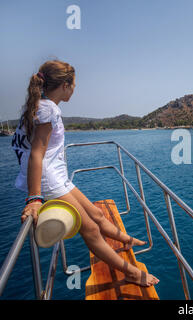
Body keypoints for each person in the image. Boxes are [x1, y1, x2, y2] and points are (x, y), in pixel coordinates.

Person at [12, 60, 159, 287]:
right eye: (74, 84)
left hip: (56, 176)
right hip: (48, 180)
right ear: (66, 85)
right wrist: (34, 197)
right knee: (90, 229)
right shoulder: (48, 109)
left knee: (96, 214)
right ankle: (130, 273)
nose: (75, 89)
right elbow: (36, 155)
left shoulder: (37, 107)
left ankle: (126, 239)